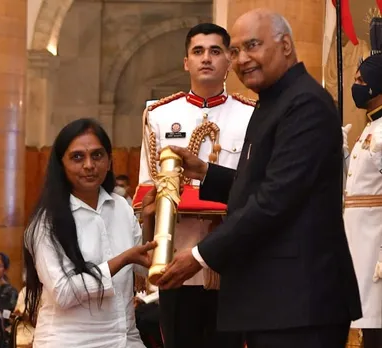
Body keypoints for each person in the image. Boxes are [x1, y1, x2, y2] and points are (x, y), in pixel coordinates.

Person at [154, 9, 362, 348]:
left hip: (300, 302)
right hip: (277, 301)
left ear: (285, 46)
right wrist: (206, 172)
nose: (242, 59)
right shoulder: (275, 101)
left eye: (253, 45)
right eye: (235, 51)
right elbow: (261, 183)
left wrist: (198, 256)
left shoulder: (304, 104)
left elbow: (274, 200)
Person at [135, 22, 254, 348]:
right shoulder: (160, 115)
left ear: (229, 59)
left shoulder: (250, 115)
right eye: (198, 51)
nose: (206, 59)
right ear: (186, 61)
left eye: (216, 51)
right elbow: (148, 190)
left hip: (230, 261)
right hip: (176, 259)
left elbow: (256, 189)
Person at [23, 118, 157, 348]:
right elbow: (63, 293)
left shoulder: (121, 207)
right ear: (61, 164)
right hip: (70, 341)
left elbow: (144, 266)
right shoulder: (46, 222)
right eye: (77, 157)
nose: (89, 165)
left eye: (97, 155)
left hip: (125, 338)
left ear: (109, 160)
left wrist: (150, 219)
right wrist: (122, 259)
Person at [344, 19, 382, 348]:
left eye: (361, 81)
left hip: (377, 249)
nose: (356, 86)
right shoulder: (370, 128)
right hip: (360, 245)